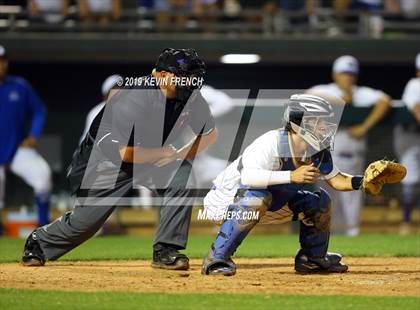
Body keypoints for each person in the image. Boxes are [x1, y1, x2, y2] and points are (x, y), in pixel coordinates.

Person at [21, 48, 218, 270]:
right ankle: (39, 241)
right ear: (161, 75)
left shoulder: (191, 97)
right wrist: (165, 153)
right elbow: (124, 153)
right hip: (106, 161)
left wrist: (179, 153)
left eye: (193, 76)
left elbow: (210, 134)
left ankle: (166, 250)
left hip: (148, 158)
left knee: (182, 174)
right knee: (84, 224)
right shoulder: (134, 97)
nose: (190, 81)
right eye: (184, 75)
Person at [201, 94, 373, 276]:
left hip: (266, 201)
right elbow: (249, 178)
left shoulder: (316, 149)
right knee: (257, 198)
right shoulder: (271, 142)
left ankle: (312, 259)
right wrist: (292, 176)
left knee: (319, 201)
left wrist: (364, 182)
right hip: (223, 201)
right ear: (299, 123)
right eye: (318, 120)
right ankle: (216, 259)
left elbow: (337, 180)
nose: (324, 126)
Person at [307, 55, 391, 236]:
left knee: (351, 198)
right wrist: (338, 99)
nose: (348, 77)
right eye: (344, 73)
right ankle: (322, 237)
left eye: (351, 74)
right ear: (335, 74)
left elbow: (385, 100)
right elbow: (305, 96)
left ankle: (352, 235)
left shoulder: (362, 93)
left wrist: (364, 126)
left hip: (351, 156)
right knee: (324, 200)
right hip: (324, 157)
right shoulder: (325, 90)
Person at [0, 45, 52, 230]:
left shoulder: (19, 86)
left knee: (43, 175)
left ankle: (43, 225)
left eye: (3, 60)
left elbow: (39, 110)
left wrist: (33, 135)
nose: (1, 64)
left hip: (16, 148)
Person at [393, 53, 420, 234]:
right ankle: (406, 222)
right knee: (410, 180)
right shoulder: (415, 84)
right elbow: (417, 108)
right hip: (409, 135)